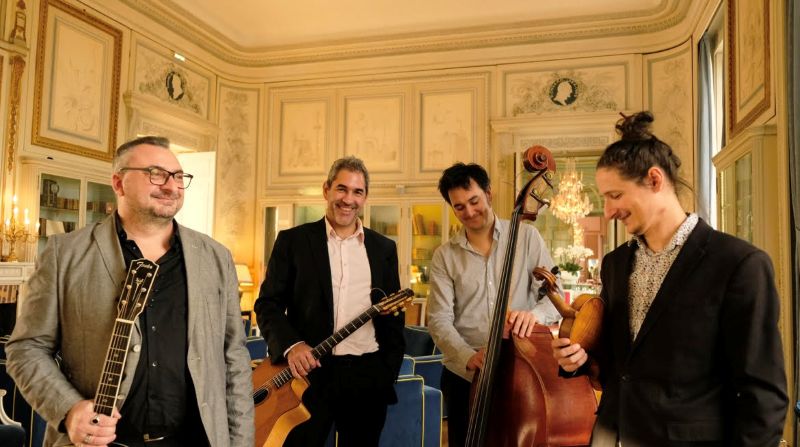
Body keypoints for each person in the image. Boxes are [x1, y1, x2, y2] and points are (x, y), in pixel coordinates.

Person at [552, 111, 788, 446]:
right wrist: (578, 360)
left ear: (654, 179)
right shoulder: (615, 264)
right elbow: (621, 363)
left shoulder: (739, 264)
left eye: (615, 196)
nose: (608, 211)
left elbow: (762, 395)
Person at [6, 136, 254, 447]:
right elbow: (26, 348)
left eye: (178, 176)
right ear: (118, 183)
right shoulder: (64, 254)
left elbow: (234, 359)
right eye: (156, 174)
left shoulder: (215, 257)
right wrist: (69, 410)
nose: (171, 186)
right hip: (99, 442)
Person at [255, 156, 404, 447]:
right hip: (308, 377)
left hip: (368, 378)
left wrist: (387, 372)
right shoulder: (293, 241)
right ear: (326, 190)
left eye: (357, 192)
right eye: (341, 189)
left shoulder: (384, 248)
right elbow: (268, 304)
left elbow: (393, 315)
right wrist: (292, 346)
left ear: (365, 197)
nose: (348, 199)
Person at [427, 162, 561, 447]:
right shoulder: (444, 256)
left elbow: (555, 297)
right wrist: (468, 356)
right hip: (465, 376)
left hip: (520, 370)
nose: (469, 211)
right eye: (459, 206)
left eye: (474, 201)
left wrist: (534, 316)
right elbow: (438, 319)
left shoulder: (527, 237)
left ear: (489, 193)